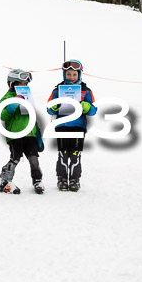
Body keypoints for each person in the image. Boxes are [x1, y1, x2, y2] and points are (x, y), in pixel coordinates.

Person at [46, 59, 97, 192]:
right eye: (69, 74)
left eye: (74, 75)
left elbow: (94, 109)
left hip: (78, 126)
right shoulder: (58, 89)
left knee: (75, 154)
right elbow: (49, 108)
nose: (72, 77)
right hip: (62, 126)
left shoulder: (85, 90)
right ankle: (62, 179)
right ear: (64, 74)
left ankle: (75, 179)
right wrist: (55, 106)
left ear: (79, 75)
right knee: (63, 153)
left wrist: (86, 106)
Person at [0, 68, 44, 194]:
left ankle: (37, 180)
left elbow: (32, 117)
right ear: (11, 84)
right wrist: (14, 104)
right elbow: (2, 115)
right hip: (15, 134)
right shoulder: (7, 97)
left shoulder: (29, 97)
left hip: (30, 134)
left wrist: (38, 134)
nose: (22, 87)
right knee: (15, 158)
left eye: (25, 84)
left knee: (34, 158)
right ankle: (5, 180)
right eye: (19, 84)